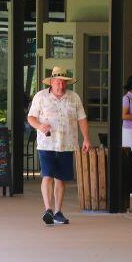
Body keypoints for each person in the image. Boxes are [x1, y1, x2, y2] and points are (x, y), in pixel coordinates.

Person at [27, 66, 91, 226]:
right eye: (58, 82)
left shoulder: (74, 97)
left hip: (67, 143)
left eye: (64, 83)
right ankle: (48, 209)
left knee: (61, 179)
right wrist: (40, 126)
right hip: (46, 143)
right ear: (52, 82)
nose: (61, 86)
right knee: (47, 175)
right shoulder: (40, 97)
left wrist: (86, 139)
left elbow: (82, 119)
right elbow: (31, 117)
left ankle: (58, 212)